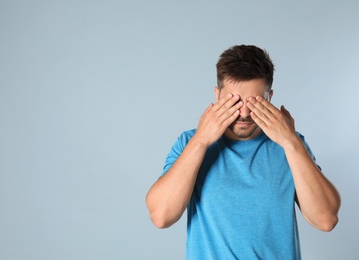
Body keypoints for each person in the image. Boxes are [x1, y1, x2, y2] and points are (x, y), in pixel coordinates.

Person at [145, 45, 341, 259]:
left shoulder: (290, 145)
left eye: (255, 102)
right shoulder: (189, 143)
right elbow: (161, 216)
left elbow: (325, 219)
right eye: (234, 101)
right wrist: (201, 140)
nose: (245, 113)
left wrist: (291, 143)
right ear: (217, 95)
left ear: (270, 97)